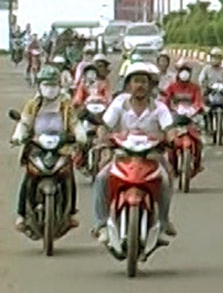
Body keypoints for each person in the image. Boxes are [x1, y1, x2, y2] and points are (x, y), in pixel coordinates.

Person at [91, 62, 176, 242]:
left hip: (151, 156)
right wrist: (103, 140)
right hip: (122, 155)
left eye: (144, 82)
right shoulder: (119, 103)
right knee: (101, 178)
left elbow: (169, 128)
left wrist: (171, 137)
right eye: (136, 81)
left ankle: (162, 222)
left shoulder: (159, 107)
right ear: (128, 84)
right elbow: (105, 126)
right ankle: (101, 224)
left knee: (166, 180)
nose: (140, 86)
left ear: (150, 85)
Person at [10, 65, 84, 232]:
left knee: (68, 177)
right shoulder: (33, 105)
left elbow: (74, 123)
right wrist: (18, 136)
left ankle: (71, 212)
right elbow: (24, 122)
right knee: (29, 178)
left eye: (53, 85)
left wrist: (80, 136)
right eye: (46, 85)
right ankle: (21, 214)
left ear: (59, 86)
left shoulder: (66, 105)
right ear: (39, 86)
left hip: (61, 147)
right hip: (37, 146)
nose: (50, 89)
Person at [161, 60, 205, 175]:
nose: (184, 73)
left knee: (199, 141)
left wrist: (194, 109)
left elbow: (198, 101)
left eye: (187, 71)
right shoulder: (172, 87)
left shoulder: (195, 88)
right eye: (182, 71)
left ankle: (197, 164)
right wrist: (168, 110)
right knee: (170, 142)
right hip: (176, 117)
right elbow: (165, 100)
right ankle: (172, 166)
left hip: (191, 117)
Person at [198, 47, 223, 130]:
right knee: (204, 107)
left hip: (220, 92)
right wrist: (204, 84)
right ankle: (205, 124)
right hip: (209, 92)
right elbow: (201, 79)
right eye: (214, 57)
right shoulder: (206, 69)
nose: (216, 59)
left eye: (218, 57)